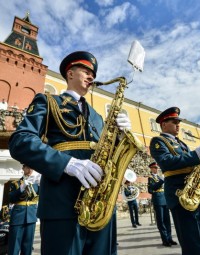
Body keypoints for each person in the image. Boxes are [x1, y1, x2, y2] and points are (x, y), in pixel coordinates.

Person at [8, 51, 131, 255]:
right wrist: (67, 163)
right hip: (63, 203)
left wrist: (119, 137)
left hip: (101, 204)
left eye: (93, 73)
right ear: (70, 73)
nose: (91, 76)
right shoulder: (48, 101)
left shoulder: (99, 117)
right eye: (85, 70)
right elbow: (20, 141)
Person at [149, 107, 200, 255]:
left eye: (179, 122)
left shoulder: (183, 144)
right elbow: (167, 162)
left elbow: (197, 164)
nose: (178, 125)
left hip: (196, 193)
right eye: (174, 122)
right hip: (180, 194)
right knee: (192, 242)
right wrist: (197, 153)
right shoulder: (158, 141)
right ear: (163, 124)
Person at [8, 164, 40, 255]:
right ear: (23, 168)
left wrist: (42, 184)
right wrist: (21, 188)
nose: (30, 169)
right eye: (28, 167)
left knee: (27, 247)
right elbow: (11, 198)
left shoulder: (36, 183)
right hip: (18, 216)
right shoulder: (16, 183)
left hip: (31, 216)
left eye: (31, 167)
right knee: (14, 246)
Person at [148, 161, 177, 247]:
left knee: (167, 220)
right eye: (154, 168)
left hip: (165, 199)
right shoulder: (150, 178)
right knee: (161, 221)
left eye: (156, 168)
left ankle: (169, 238)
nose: (156, 170)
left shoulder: (160, 177)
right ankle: (165, 240)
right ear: (151, 169)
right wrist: (161, 181)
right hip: (158, 200)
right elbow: (151, 188)